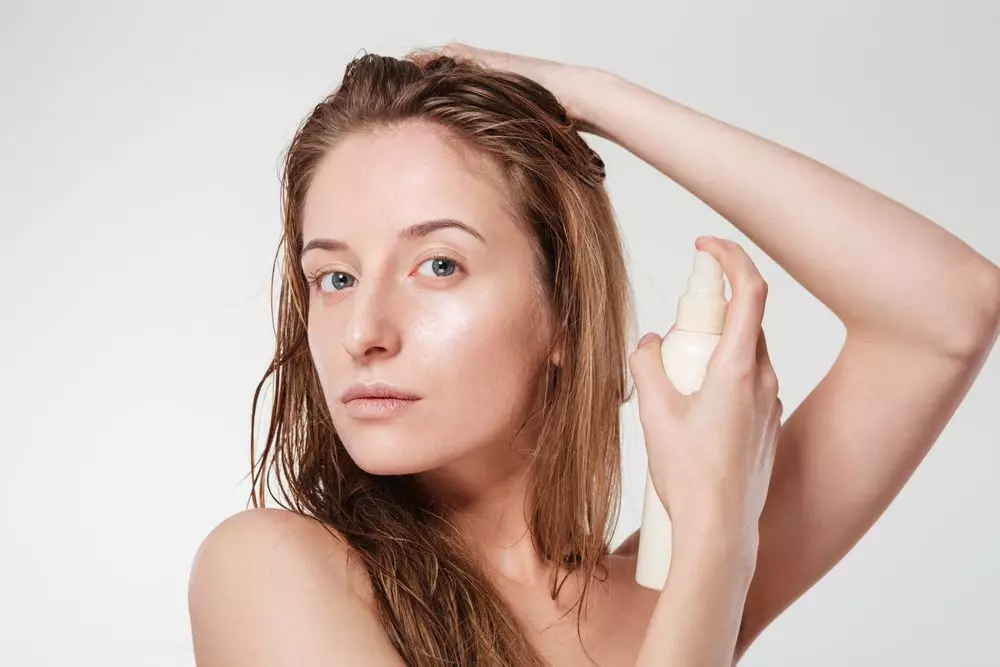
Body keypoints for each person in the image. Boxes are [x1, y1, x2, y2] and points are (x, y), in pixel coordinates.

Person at [187, 44, 1000, 666]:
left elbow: (944, 311)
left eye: (439, 264)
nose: (364, 330)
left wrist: (588, 97)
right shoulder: (270, 571)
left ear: (565, 312)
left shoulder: (655, 594)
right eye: (334, 275)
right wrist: (716, 548)